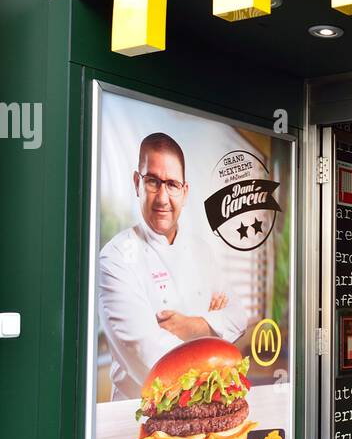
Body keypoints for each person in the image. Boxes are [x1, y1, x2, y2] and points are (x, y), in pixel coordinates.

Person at [99, 132, 247, 399]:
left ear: (185, 191)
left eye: (172, 184)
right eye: (153, 182)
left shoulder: (201, 251)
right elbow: (148, 355)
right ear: (137, 183)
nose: (163, 198)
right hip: (140, 415)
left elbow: (238, 317)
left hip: (203, 411)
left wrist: (190, 326)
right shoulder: (116, 258)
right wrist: (212, 333)